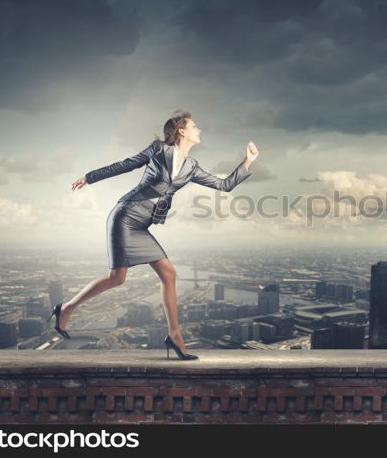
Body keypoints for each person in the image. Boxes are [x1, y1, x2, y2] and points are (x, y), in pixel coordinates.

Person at [50, 110, 259, 360]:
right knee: (117, 278)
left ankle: (175, 335)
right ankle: (67, 309)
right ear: (181, 131)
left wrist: (247, 161)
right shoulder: (157, 150)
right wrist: (89, 177)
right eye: (194, 126)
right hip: (126, 216)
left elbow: (224, 185)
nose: (199, 130)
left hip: (143, 225)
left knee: (168, 274)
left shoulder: (192, 167)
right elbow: (124, 165)